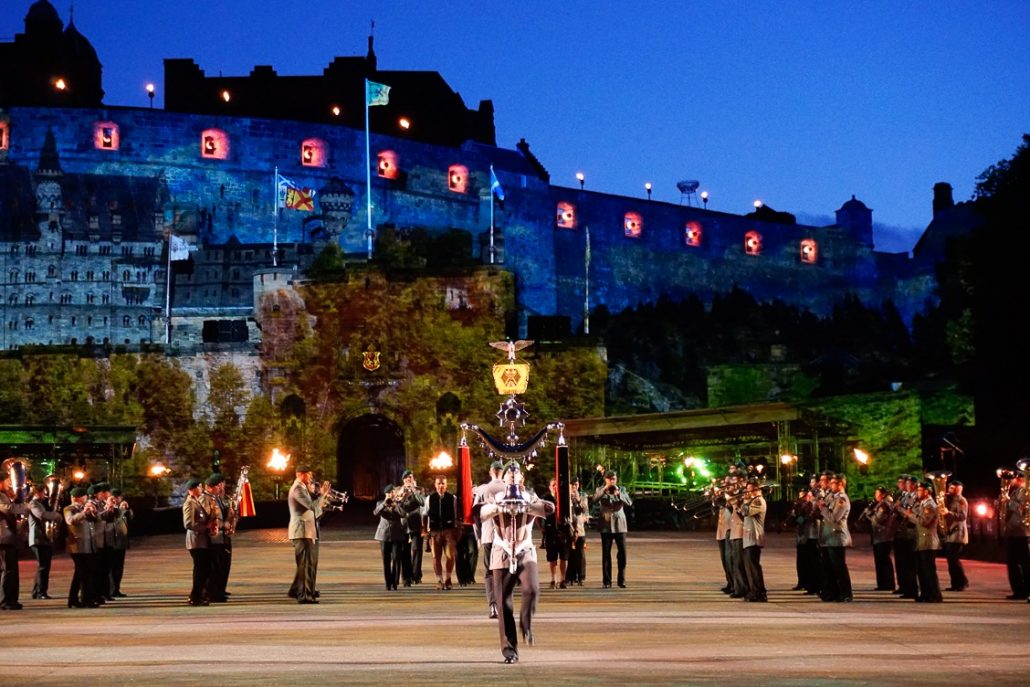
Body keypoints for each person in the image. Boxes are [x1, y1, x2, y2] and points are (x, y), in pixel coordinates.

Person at [479, 462, 554, 664]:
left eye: (516, 474)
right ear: (504, 479)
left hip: (524, 549)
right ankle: (509, 650)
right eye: (509, 474)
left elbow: (547, 509)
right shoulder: (497, 497)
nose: (512, 477)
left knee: (532, 589)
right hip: (501, 550)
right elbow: (483, 513)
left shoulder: (529, 496)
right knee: (503, 603)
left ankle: (526, 624)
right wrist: (498, 507)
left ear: (521, 478)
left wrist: (529, 505)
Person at [288, 466, 328, 604]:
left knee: (307, 563)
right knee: (306, 564)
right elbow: (311, 506)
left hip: (308, 530)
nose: (311, 477)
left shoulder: (302, 488)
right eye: (309, 475)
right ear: (301, 475)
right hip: (302, 531)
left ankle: (299, 589)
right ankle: (305, 595)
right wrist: (322, 495)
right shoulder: (298, 489)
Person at [473, 460, 505, 616]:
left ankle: (493, 604)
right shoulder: (509, 488)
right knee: (503, 571)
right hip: (505, 536)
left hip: (488, 534)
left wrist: (477, 535)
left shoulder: (482, 489)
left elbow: (474, 514)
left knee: (489, 571)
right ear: (502, 472)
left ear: (491, 472)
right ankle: (502, 603)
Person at [593, 470, 633, 589]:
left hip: (620, 525)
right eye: (610, 479)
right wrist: (605, 488)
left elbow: (629, 502)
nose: (612, 481)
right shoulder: (600, 489)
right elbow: (594, 499)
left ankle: (621, 579)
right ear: (605, 479)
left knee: (622, 553)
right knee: (606, 554)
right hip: (605, 525)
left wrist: (618, 494)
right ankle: (607, 581)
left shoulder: (622, 489)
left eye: (614, 479)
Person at [905, 480, 943, 602]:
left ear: (927, 492)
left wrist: (910, 514)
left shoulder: (930, 505)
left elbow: (923, 522)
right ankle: (925, 594)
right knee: (922, 571)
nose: (917, 492)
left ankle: (934, 595)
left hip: (928, 542)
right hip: (921, 541)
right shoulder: (922, 504)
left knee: (929, 571)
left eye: (920, 490)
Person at [818, 473, 852, 602]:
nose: (831, 485)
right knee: (828, 568)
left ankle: (845, 593)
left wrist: (822, 508)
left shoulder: (842, 499)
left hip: (836, 537)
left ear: (840, 484)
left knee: (839, 567)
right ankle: (832, 593)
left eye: (833, 483)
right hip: (827, 537)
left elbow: (834, 517)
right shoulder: (832, 497)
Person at [64, 487, 99, 608]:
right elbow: (70, 521)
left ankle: (73, 599)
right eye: (84, 496)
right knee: (84, 573)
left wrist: (93, 512)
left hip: (87, 545)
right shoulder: (69, 509)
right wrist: (84, 512)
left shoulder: (84, 508)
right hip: (77, 546)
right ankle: (86, 599)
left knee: (81, 573)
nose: (87, 499)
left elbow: (96, 521)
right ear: (78, 498)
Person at [28, 482, 63, 600]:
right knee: (43, 566)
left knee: (44, 566)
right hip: (37, 538)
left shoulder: (43, 503)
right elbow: (42, 515)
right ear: (37, 493)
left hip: (44, 538)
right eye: (43, 492)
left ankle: (38, 591)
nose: (45, 495)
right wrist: (56, 515)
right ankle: (40, 592)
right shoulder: (33, 503)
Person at [423, 475, 459, 590]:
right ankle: (439, 580)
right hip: (434, 532)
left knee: (450, 556)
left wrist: (456, 530)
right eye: (439, 483)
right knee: (435, 557)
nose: (441, 486)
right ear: (435, 485)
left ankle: (448, 579)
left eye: (443, 483)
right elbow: (424, 514)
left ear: (446, 484)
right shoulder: (429, 498)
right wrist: (424, 530)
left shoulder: (452, 498)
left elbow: (456, 515)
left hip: (448, 531)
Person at [182, 478, 212, 606]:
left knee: (204, 569)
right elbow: (188, 524)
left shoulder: (196, 502)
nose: (202, 489)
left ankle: (200, 594)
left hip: (201, 540)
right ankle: (195, 596)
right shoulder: (190, 503)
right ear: (192, 490)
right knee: (200, 569)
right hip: (196, 541)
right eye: (199, 487)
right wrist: (206, 527)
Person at [0, 473, 27, 610]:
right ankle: (5, 600)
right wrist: (19, 500)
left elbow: (18, 510)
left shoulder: (6, 496)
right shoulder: (1, 496)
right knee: (7, 569)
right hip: (3, 537)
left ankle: (12, 599)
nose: (10, 483)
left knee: (12, 570)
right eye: (7, 481)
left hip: (10, 537)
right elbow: (8, 510)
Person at [1000, 471, 1028, 600]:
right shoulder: (1014, 492)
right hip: (1012, 531)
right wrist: (1000, 503)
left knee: (1025, 563)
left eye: (1013, 478)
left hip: (1022, 532)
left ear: (1020, 479)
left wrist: (1009, 501)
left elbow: (1024, 508)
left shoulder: (1026, 491)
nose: (1010, 481)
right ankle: (1018, 590)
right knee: (1011, 563)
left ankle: (1026, 591)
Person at [202, 475, 230, 602]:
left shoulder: (216, 498)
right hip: (213, 538)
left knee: (220, 566)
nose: (220, 487)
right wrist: (223, 524)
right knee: (214, 567)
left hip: (220, 536)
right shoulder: (206, 498)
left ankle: (218, 590)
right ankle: (212, 592)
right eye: (218, 485)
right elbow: (210, 518)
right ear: (209, 487)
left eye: (221, 485)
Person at [739, 478, 767, 602]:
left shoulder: (758, 501)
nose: (748, 492)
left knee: (753, 566)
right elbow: (741, 513)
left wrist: (745, 500)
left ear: (756, 489)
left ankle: (759, 592)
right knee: (749, 566)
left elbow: (746, 511)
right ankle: (753, 590)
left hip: (754, 537)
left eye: (750, 489)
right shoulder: (752, 500)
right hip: (748, 537)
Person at [373, 485, 406, 590]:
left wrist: (395, 505)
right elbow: (375, 513)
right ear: (386, 494)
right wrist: (384, 503)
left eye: (392, 492)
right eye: (389, 493)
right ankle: (388, 583)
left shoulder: (399, 503)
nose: (390, 494)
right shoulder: (380, 503)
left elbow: (403, 514)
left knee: (396, 558)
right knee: (386, 560)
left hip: (397, 535)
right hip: (384, 535)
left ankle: (394, 582)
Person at [892, 474, 919, 599]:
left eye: (907, 484)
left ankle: (911, 588)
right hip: (901, 532)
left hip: (910, 533)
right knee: (902, 562)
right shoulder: (905, 496)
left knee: (909, 564)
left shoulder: (915, 498)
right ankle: (904, 586)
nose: (905, 486)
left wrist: (900, 510)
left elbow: (910, 514)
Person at [541, 478, 570, 589]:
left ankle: (563, 579)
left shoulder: (563, 498)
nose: (555, 487)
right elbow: (539, 513)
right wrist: (541, 527)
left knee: (563, 556)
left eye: (557, 485)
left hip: (562, 530)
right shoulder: (546, 498)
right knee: (552, 557)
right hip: (550, 530)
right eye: (553, 485)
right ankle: (553, 579)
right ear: (549, 486)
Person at [866, 486, 896, 592]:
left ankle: (888, 583)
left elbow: (878, 520)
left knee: (884, 560)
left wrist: (868, 515)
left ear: (882, 495)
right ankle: (882, 583)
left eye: (877, 494)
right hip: (879, 536)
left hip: (884, 536)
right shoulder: (880, 504)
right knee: (879, 561)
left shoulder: (884, 505)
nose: (875, 496)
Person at [399, 470, 425, 586]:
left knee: (416, 550)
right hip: (403, 525)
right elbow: (395, 505)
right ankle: (406, 577)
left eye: (410, 477)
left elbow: (422, 502)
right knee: (404, 552)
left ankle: (416, 575)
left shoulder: (419, 490)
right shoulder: (397, 490)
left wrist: (414, 490)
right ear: (403, 480)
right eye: (406, 478)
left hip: (416, 524)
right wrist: (401, 495)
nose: (408, 479)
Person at [942, 479, 969, 592]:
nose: (949, 490)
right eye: (949, 488)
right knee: (950, 560)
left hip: (957, 534)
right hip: (950, 533)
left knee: (953, 559)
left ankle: (961, 582)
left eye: (952, 488)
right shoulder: (950, 500)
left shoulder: (961, 501)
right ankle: (955, 583)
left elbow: (962, 516)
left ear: (959, 489)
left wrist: (948, 513)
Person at [107, 488, 132, 598]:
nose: (117, 499)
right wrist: (120, 510)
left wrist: (127, 509)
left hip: (121, 541)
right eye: (115, 497)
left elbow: (130, 518)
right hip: (112, 541)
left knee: (119, 567)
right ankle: (111, 589)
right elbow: (114, 521)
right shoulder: (109, 508)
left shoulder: (121, 508)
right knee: (111, 567)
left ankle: (116, 588)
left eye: (119, 497)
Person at [565, 476, 588, 587]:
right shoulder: (565, 495)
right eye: (572, 485)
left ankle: (581, 576)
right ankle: (570, 577)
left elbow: (584, 510)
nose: (574, 487)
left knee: (580, 554)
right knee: (570, 554)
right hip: (569, 528)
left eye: (576, 485)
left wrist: (578, 500)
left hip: (580, 528)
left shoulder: (583, 495)